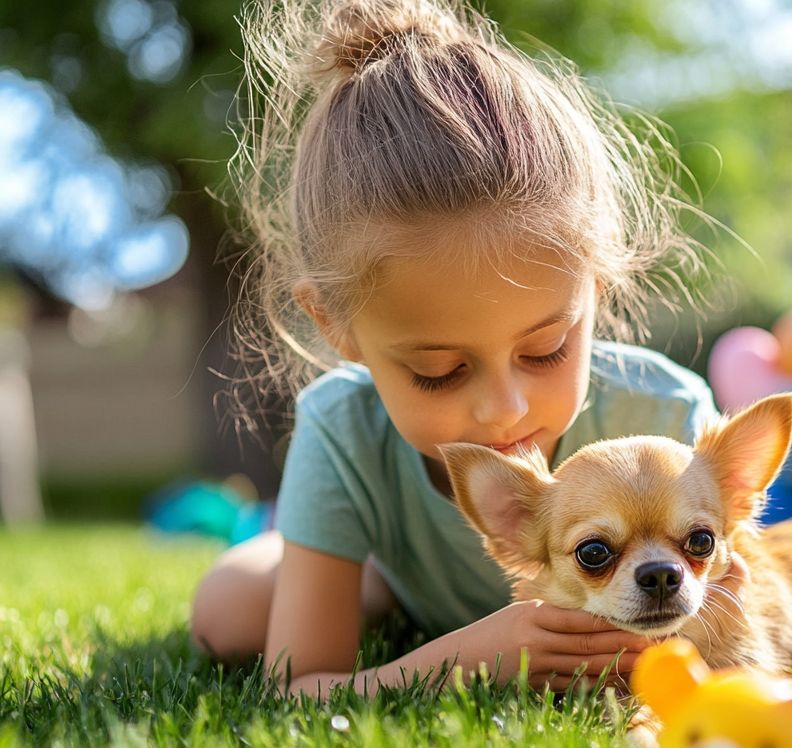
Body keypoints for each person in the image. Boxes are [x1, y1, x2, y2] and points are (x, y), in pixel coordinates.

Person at [190, 0, 738, 698]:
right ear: (338, 328)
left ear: (595, 287)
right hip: (393, 578)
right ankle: (373, 578)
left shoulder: (663, 415)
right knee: (226, 613)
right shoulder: (342, 431)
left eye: (544, 350)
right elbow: (295, 687)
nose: (504, 410)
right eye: (439, 372)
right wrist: (473, 653)